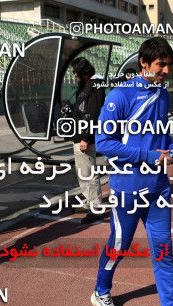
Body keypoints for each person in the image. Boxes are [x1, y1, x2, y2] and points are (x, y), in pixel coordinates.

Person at [91, 37, 173, 306]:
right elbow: (104, 143)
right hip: (128, 187)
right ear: (144, 64)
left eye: (169, 65)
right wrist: (149, 156)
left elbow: (161, 134)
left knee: (163, 250)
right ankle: (101, 290)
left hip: (159, 188)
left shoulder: (162, 94)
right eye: (161, 65)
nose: (166, 70)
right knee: (119, 246)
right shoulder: (121, 95)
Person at [69, 57, 107, 224]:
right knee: (84, 173)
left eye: (76, 73)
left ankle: (95, 207)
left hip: (85, 137)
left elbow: (93, 114)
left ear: (83, 73)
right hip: (81, 135)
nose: (75, 76)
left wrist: (86, 137)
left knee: (88, 173)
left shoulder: (94, 86)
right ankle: (89, 201)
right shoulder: (89, 85)